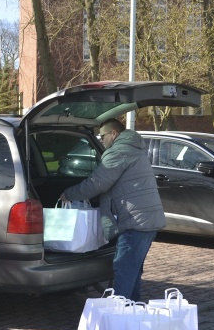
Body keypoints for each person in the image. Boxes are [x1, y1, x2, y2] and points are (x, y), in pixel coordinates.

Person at [60, 118, 164, 301]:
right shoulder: (134, 149)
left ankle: (118, 317)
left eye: (102, 136)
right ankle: (132, 313)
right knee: (132, 271)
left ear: (113, 134)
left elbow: (97, 183)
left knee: (123, 272)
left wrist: (69, 194)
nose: (101, 140)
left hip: (134, 223)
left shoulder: (118, 153)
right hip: (148, 220)